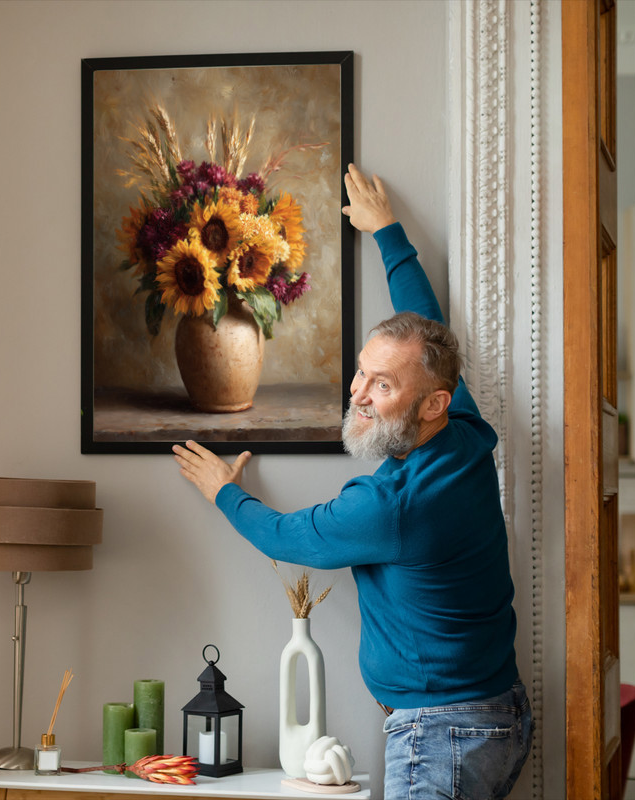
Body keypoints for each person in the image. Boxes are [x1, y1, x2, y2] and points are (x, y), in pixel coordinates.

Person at [172, 164, 533, 799]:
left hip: (443, 738)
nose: (358, 395)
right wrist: (388, 232)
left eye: (381, 386)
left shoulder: (391, 506)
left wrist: (223, 491)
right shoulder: (466, 437)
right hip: (493, 717)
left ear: (431, 405)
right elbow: (425, 330)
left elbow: (289, 537)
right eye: (362, 373)